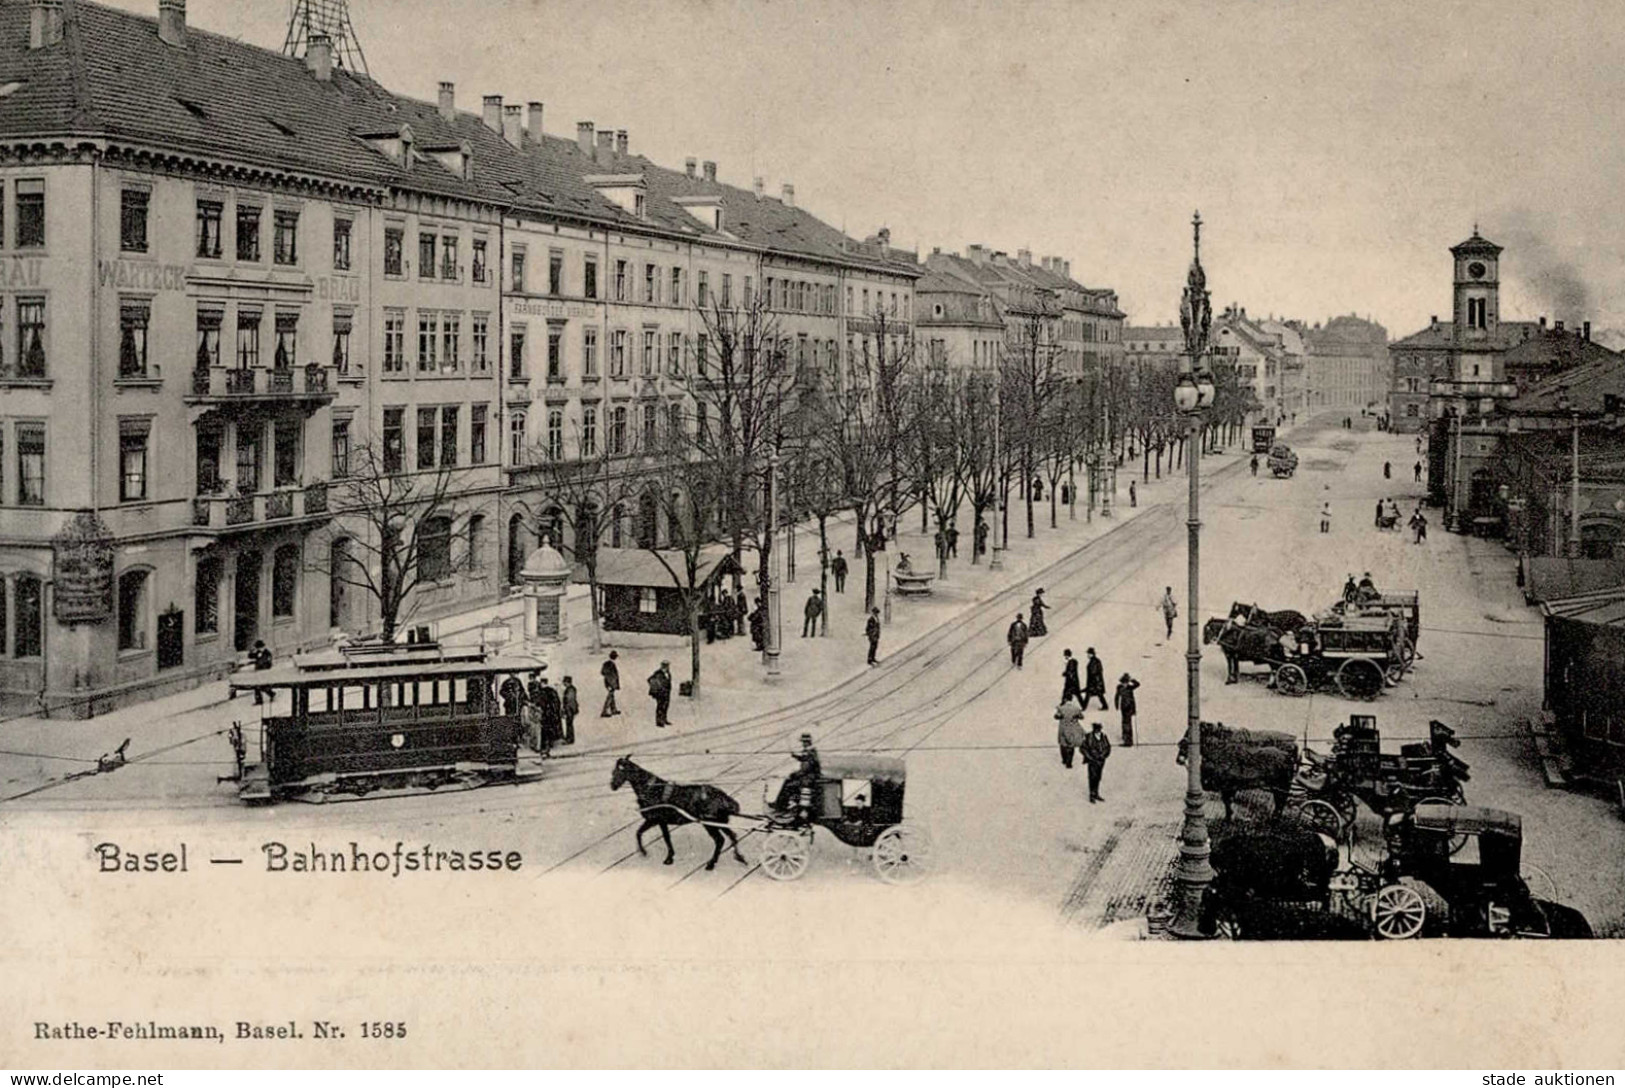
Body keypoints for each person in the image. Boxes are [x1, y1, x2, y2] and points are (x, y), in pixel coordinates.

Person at [772, 734, 822, 817]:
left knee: (788, 786)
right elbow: (804, 759)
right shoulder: (810, 751)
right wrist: (796, 756)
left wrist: (795, 774)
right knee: (790, 782)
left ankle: (782, 808)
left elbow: (806, 767)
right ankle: (787, 806)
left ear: (807, 742)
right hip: (808, 776)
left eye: (804, 742)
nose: (803, 744)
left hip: (808, 778)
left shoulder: (810, 751)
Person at [1081, 722, 1112, 803]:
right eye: (1096, 730)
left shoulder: (1104, 736)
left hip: (1101, 761)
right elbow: (1083, 748)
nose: (1098, 731)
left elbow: (1108, 747)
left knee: (1098, 777)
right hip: (1092, 761)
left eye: (1099, 730)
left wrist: (1103, 755)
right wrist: (1089, 757)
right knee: (1092, 777)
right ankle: (1092, 794)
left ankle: (1096, 793)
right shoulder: (1088, 737)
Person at [1055, 695, 1086, 769]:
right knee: (1071, 745)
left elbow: (1056, 716)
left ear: (1065, 699)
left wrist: (1062, 717)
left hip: (1063, 727)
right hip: (1073, 728)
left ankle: (1064, 760)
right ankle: (1069, 762)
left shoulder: (1061, 708)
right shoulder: (1076, 708)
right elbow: (1081, 717)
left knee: (1063, 744)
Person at [536, 676, 563, 757]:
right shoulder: (553, 691)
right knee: (551, 731)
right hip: (553, 715)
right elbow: (557, 703)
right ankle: (549, 746)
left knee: (545, 732)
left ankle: (545, 749)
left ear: (542, 683)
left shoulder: (543, 692)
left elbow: (541, 703)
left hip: (546, 715)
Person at [1114, 673, 1140, 747]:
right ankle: (1125, 737)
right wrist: (1116, 705)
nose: (1125, 684)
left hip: (1130, 707)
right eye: (1123, 682)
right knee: (1124, 723)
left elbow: (1138, 684)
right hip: (1123, 707)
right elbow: (1117, 696)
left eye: (1126, 682)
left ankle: (1128, 741)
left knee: (1127, 724)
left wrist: (1132, 679)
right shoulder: (1119, 687)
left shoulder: (1130, 687)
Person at [648, 660, 672, 728]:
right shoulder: (658, 673)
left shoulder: (668, 673)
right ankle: (659, 722)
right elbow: (650, 679)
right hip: (660, 693)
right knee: (660, 707)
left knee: (666, 706)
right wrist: (656, 687)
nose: (667, 667)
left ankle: (664, 719)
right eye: (666, 666)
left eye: (668, 666)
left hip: (667, 693)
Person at [251, 640, 274, 705]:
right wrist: (252, 651)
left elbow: (269, 662)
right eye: (257, 648)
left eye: (259, 647)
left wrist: (265, 667)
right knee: (256, 686)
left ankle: (271, 694)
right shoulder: (258, 652)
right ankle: (259, 700)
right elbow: (250, 656)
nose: (259, 649)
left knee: (263, 686)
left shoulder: (267, 653)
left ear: (263, 647)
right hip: (258, 671)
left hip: (264, 671)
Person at [600, 650, 621, 718]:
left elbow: (603, 672)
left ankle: (613, 709)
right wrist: (611, 684)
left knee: (612, 696)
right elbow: (611, 675)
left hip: (610, 683)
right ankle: (604, 711)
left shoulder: (607, 663)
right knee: (609, 697)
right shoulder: (610, 664)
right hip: (610, 683)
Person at [560, 676, 579, 745]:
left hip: (570, 710)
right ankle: (569, 738)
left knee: (569, 724)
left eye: (564, 682)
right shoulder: (570, 689)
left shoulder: (570, 690)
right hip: (570, 709)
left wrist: (568, 710)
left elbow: (570, 701)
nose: (564, 684)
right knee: (569, 724)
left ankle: (569, 739)